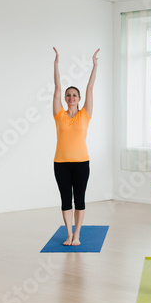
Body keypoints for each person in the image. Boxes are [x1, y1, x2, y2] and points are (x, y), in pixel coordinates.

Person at [52, 47, 99, 246]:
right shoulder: (59, 115)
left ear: (79, 99)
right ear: (65, 99)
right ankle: (69, 234)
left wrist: (95, 65)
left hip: (81, 163)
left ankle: (77, 235)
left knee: (79, 198)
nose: (71, 97)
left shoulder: (84, 115)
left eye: (74, 95)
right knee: (65, 199)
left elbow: (90, 89)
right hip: (61, 163)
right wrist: (56, 65)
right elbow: (56, 88)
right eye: (68, 95)